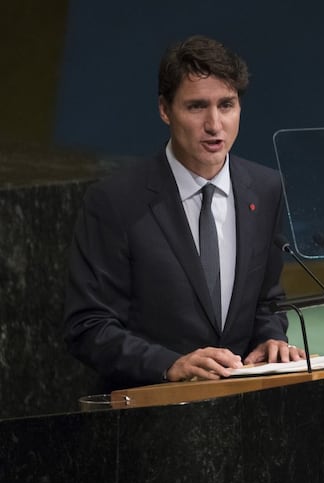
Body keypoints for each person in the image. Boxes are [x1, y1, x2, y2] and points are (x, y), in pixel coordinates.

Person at [63, 35, 303, 390]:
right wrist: (169, 365)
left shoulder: (266, 189)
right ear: (164, 109)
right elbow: (88, 325)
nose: (214, 124)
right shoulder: (114, 201)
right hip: (150, 412)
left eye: (226, 105)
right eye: (196, 107)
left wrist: (270, 340)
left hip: (243, 409)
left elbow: (267, 302)